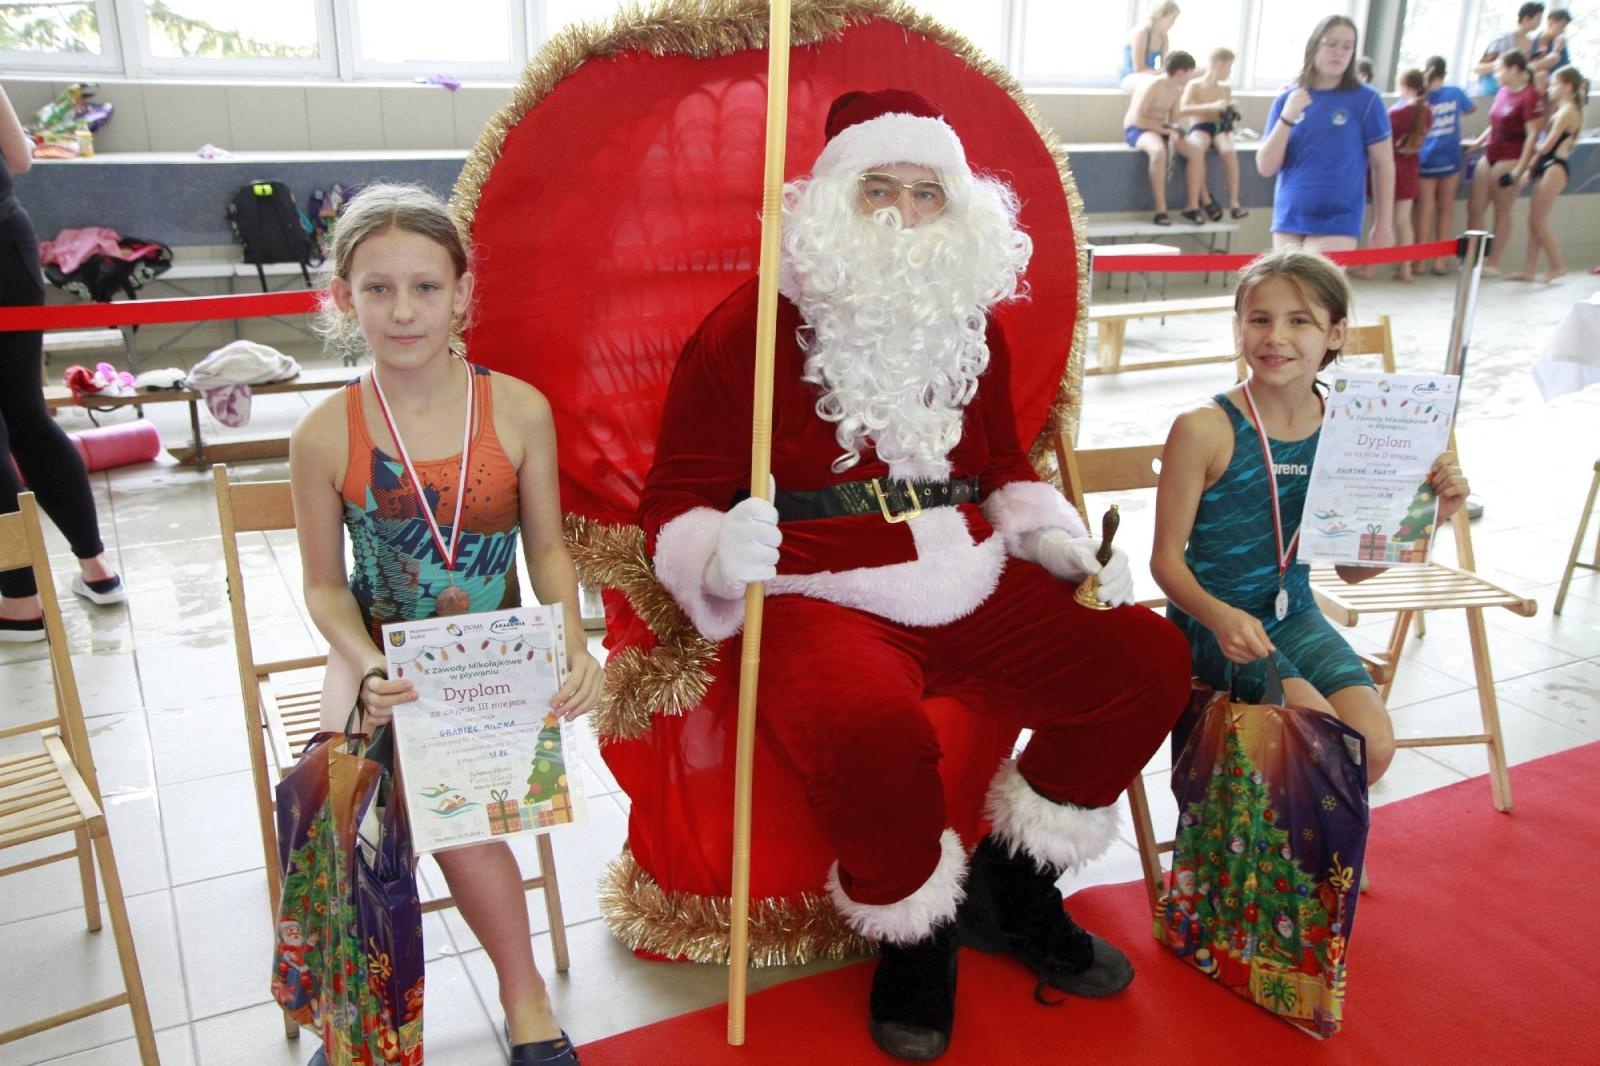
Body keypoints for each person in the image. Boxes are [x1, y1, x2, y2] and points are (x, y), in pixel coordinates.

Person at [640, 89, 1191, 1060]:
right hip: (823, 592)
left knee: (1144, 657)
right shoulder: (749, 329)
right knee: (866, 729)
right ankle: (917, 932)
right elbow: (676, 495)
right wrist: (718, 549)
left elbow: (1005, 468)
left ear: (958, 208)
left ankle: (1010, 891)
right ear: (833, 201)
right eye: (875, 189)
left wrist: (1049, 539)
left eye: (925, 192)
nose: (899, 213)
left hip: (973, 568)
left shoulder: (964, 321)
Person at [288, 184, 603, 1066]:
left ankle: (524, 995)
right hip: (374, 657)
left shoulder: (518, 411)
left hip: (485, 662)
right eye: (378, 288)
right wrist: (362, 662)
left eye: (425, 287)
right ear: (344, 298)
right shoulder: (321, 435)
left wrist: (571, 640)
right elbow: (322, 589)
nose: (403, 309)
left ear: (463, 293)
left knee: (457, 818)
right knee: (346, 812)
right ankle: (360, 1011)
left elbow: (547, 552)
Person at [1151, 249, 1470, 787]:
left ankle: (1291, 855)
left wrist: (1429, 516)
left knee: (1374, 746)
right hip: (1214, 619)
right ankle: (1261, 859)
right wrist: (1220, 617)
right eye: (1259, 319)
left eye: (1300, 321)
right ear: (1240, 328)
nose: (1276, 336)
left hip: (1295, 612)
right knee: (1317, 742)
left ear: (1337, 334)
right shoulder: (1204, 428)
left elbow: (1350, 573)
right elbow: (1166, 562)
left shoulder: (1352, 431)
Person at [0, 85, 126, 644]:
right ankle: (96, 570)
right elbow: (20, 157)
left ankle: (22, 602)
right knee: (26, 412)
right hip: (7, 243)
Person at [1256, 15, 1395, 254]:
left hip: (1337, 219)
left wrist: (1383, 224)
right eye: (1331, 44)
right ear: (1314, 46)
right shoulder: (1288, 99)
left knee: (1314, 290)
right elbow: (1266, 167)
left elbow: (1383, 165)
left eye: (1347, 46)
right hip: (1290, 215)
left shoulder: (1366, 100)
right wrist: (1287, 118)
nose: (1339, 52)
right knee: (1287, 290)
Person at [1465, 49, 1544, 275]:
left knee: (1502, 209)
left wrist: (1520, 169)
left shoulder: (1530, 96)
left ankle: (1494, 262)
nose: (1496, 74)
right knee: (1476, 206)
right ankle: (1474, 257)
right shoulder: (1502, 92)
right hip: (1491, 151)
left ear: (1515, 70)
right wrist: (1478, 142)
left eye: (1500, 69)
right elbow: (1495, 122)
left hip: (1511, 155)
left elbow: (1533, 134)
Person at [1513, 65, 1585, 282]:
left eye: (1555, 84)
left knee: (1539, 221)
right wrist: (1532, 165)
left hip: (1555, 167)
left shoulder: (1568, 112)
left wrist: (1525, 145)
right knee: (1533, 220)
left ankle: (1558, 265)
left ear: (1567, 87)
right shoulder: (1560, 110)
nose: (1550, 88)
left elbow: (1546, 146)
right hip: (1548, 165)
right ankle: (1529, 270)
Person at [1124, 51, 1210, 225]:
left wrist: (1174, 131)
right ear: (1181, 73)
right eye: (1189, 74)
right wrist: (1163, 131)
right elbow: (1138, 119)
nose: (1189, 78)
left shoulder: (1176, 90)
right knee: (1158, 151)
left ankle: (1192, 206)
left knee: (1196, 152)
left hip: (1161, 128)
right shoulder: (1153, 85)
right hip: (1139, 129)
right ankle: (1161, 209)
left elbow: (1174, 119)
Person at [1415, 56, 1477, 276]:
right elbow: (1473, 108)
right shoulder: (1456, 93)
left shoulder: (1423, 96)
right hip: (1450, 157)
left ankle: (1420, 261)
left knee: (1425, 209)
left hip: (1426, 157)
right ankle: (1440, 260)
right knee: (1446, 208)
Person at [1182, 47, 1249, 220]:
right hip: (1201, 125)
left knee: (1228, 151)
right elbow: (1183, 109)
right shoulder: (1195, 85)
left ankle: (1234, 203)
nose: (1230, 72)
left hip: (1220, 127)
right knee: (1197, 151)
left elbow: (1228, 110)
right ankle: (1198, 200)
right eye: (1229, 67)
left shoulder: (1225, 89)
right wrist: (1210, 106)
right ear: (1219, 65)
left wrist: (1232, 107)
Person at [1386, 69, 1432, 283]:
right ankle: (1406, 269)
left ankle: (1369, 267)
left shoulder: (1396, 115)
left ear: (1404, 86)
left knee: (1383, 219)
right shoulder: (1427, 112)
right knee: (1404, 222)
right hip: (1411, 169)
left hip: (1391, 170)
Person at [1473, 3, 1544, 97]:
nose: (1540, 23)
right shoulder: (1502, 40)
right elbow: (1478, 68)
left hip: (1516, 87)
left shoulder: (1531, 42)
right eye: (1538, 18)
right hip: (1495, 85)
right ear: (1526, 18)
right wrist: (1503, 65)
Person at [1119, 1, 1181, 91]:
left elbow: (1165, 65)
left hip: (1149, 75)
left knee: (1178, 80)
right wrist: (1162, 72)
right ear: (1161, 15)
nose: (1173, 23)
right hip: (1130, 77)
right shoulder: (1142, 33)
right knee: (1156, 83)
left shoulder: (1164, 37)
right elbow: (1139, 69)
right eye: (1172, 19)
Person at [1528, 7, 1573, 89]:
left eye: (1565, 28)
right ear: (1550, 22)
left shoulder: (1560, 45)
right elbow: (1528, 68)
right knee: (1541, 75)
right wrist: (1555, 52)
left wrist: (1557, 50)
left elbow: (1565, 68)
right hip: (1534, 82)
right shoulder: (1530, 42)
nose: (1563, 31)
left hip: (1553, 84)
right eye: (1561, 26)